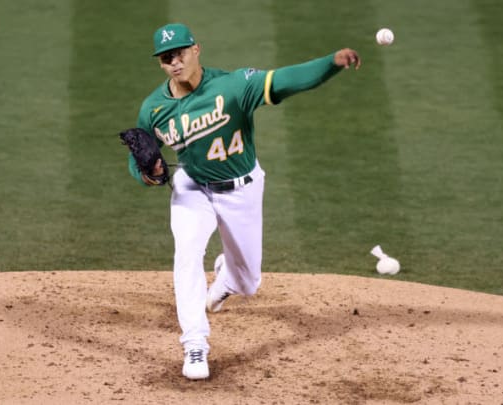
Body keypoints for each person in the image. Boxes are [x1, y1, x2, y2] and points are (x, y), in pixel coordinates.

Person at [126, 23, 361, 380]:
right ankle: (195, 343)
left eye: (180, 53)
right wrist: (144, 172)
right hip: (192, 188)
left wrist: (332, 62)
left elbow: (285, 80)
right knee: (186, 253)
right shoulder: (154, 108)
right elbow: (139, 155)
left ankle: (225, 280)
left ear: (196, 50)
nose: (174, 62)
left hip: (242, 190)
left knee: (249, 283)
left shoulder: (233, 86)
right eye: (166, 58)